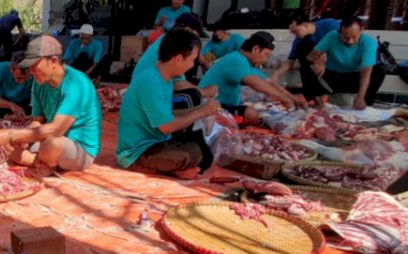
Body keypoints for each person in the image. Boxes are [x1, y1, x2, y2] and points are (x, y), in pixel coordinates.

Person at [0, 35, 102, 174]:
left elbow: (56, 129)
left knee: (51, 144)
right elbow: (37, 122)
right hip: (49, 140)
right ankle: (42, 164)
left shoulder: (77, 83)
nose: (31, 71)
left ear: (53, 61)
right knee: (6, 146)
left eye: (34, 65)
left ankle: (40, 162)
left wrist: (12, 135)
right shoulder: (39, 83)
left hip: (79, 149)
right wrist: (21, 140)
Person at [116, 29, 221, 180]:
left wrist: (200, 109)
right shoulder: (151, 81)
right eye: (192, 60)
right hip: (136, 153)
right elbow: (166, 126)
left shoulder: (163, 77)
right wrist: (200, 112)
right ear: (178, 59)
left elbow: (167, 114)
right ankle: (170, 170)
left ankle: (174, 168)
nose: (192, 65)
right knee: (192, 153)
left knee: (199, 149)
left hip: (156, 142)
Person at [199, 32, 304, 124]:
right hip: (210, 107)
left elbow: (269, 82)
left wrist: (293, 99)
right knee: (251, 114)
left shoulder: (246, 63)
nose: (265, 60)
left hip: (221, 104)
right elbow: (256, 83)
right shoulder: (236, 59)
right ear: (255, 49)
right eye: (266, 55)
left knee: (263, 113)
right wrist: (283, 98)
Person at [306, 16, 384, 109]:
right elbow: (310, 57)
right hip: (333, 77)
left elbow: (366, 72)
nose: (350, 41)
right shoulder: (332, 36)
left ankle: (364, 102)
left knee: (378, 71)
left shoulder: (369, 42)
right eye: (346, 37)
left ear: (361, 30)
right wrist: (319, 60)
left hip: (355, 78)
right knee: (308, 66)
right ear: (340, 31)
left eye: (354, 37)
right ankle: (314, 100)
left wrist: (361, 96)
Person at [134, 13, 217, 99]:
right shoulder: (175, 44)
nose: (196, 40)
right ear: (188, 30)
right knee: (193, 97)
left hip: (146, 87)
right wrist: (204, 91)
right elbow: (178, 84)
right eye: (196, 35)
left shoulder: (168, 38)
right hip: (147, 93)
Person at [270, 12, 340, 102]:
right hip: (314, 71)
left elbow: (339, 43)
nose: (295, 35)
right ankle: (311, 97)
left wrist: (322, 59)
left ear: (304, 25)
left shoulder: (329, 25)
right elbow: (290, 61)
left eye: (295, 31)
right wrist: (276, 74)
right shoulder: (298, 40)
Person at [0, 51, 34, 116]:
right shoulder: (1, 68)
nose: (22, 82)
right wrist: (11, 105)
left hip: (24, 103)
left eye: (26, 78)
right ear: (11, 69)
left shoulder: (34, 73)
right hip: (2, 103)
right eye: (19, 78)